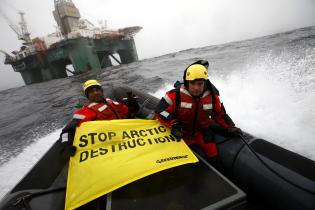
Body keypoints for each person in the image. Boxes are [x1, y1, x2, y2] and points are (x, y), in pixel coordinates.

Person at [155, 63, 241, 161]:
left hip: (202, 131)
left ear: (205, 82)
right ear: (187, 82)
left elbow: (219, 114)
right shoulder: (175, 95)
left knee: (213, 155)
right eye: (192, 83)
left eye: (200, 83)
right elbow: (160, 111)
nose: (196, 88)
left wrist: (230, 127)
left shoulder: (212, 97)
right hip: (180, 132)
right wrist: (173, 123)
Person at [60, 79, 139, 156]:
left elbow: (128, 115)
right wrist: (66, 145)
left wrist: (133, 107)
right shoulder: (85, 111)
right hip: (111, 145)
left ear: (101, 91)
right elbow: (67, 131)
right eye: (91, 92)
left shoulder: (113, 103)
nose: (96, 93)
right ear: (87, 95)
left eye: (97, 90)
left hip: (127, 136)